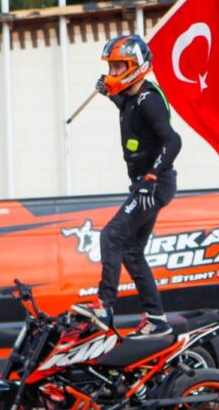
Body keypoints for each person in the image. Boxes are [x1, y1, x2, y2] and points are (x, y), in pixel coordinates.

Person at [77, 34, 181, 337]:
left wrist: (151, 177)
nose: (111, 73)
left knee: (111, 235)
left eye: (117, 67)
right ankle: (156, 319)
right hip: (145, 184)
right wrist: (109, 94)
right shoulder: (134, 98)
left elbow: (173, 140)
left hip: (153, 185)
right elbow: (127, 106)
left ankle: (105, 305)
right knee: (133, 252)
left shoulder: (149, 100)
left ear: (135, 66)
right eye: (110, 68)